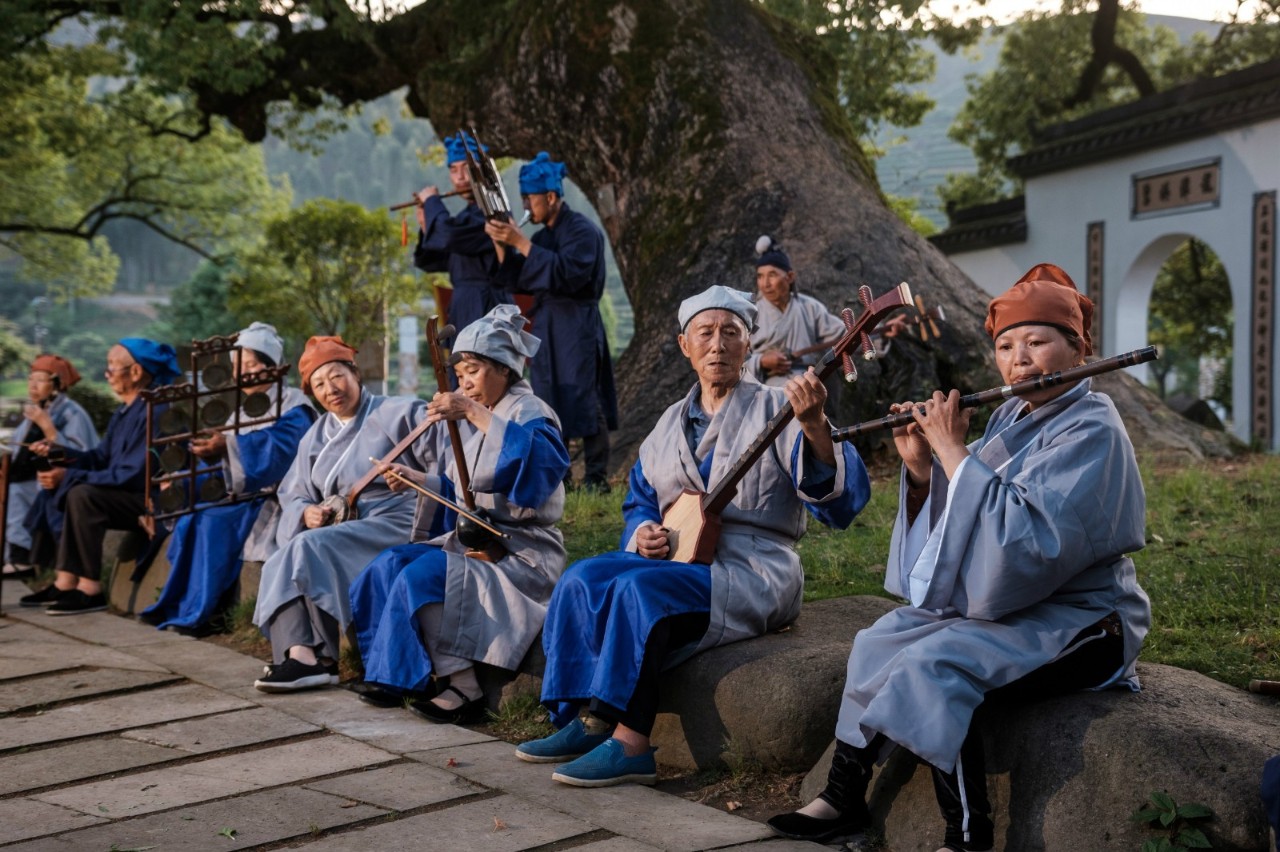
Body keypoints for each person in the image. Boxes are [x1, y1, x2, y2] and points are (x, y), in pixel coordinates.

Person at [767, 264, 1151, 851]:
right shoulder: (1009, 416)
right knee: (880, 639)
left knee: (936, 663)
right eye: (1005, 345)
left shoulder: (1093, 427)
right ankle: (844, 795)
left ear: (1078, 349)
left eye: (1037, 341)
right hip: (1014, 603)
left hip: (1084, 617)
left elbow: (1028, 542)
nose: (1019, 358)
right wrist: (924, 465)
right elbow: (969, 515)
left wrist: (951, 449)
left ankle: (966, 836)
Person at [514, 285, 871, 787]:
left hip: (753, 566)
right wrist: (643, 533)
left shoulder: (780, 408)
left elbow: (840, 502)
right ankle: (587, 719)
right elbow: (640, 498)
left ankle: (631, 743)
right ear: (686, 345)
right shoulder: (666, 424)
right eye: (705, 333)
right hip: (680, 557)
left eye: (732, 333)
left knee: (641, 591)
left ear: (750, 344)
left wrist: (814, 427)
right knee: (584, 577)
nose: (718, 345)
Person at [350, 304, 570, 723]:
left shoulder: (530, 413)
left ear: (505, 369)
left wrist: (472, 411)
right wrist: (419, 478)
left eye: (473, 370)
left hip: (518, 553)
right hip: (476, 538)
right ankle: (399, 675)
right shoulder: (485, 417)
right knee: (389, 563)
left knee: (422, 576)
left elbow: (538, 471)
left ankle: (464, 687)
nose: (464, 382)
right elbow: (466, 494)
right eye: (461, 373)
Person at [251, 335, 442, 693]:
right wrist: (305, 512)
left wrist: (417, 479)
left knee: (308, 547)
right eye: (319, 384)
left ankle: (316, 659)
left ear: (355, 374)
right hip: (341, 525)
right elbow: (292, 493)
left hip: (395, 520)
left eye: (336, 376)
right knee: (287, 550)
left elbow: (444, 461)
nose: (330, 389)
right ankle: (303, 654)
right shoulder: (315, 436)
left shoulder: (399, 412)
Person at [140, 323, 316, 634]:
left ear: (271, 367)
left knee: (211, 522)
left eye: (251, 364)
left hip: (272, 498)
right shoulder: (243, 413)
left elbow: (279, 452)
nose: (244, 373)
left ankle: (205, 613)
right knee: (189, 520)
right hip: (241, 494)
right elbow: (229, 461)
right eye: (238, 366)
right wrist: (187, 472)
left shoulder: (295, 407)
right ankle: (181, 605)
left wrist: (228, 446)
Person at [485, 152, 617, 491]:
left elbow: (569, 275)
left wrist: (520, 242)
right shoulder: (542, 237)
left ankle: (596, 476)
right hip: (546, 324)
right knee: (547, 397)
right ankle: (561, 476)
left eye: (531, 198)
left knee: (585, 395)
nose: (527, 205)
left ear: (552, 197)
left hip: (577, 322)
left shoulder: (583, 231)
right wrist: (504, 246)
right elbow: (517, 277)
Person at [20, 338, 182, 615]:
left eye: (112, 367)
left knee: (82, 493)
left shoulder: (157, 410)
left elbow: (133, 474)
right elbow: (99, 458)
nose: (107, 375)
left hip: (148, 499)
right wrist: (59, 452)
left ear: (136, 372)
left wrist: (69, 476)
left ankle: (90, 588)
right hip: (125, 491)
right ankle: (65, 581)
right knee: (63, 484)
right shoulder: (124, 410)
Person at [3, 354, 98, 577]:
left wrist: (47, 426)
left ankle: (23, 560)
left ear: (57, 384)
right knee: (11, 488)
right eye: (30, 379)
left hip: (65, 479)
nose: (33, 385)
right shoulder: (37, 410)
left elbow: (81, 454)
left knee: (17, 491)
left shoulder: (72, 412)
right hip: (33, 480)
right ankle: (16, 556)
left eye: (40, 380)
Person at [413, 131, 511, 335]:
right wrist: (426, 224)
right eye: (454, 170)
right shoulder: (465, 217)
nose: (460, 178)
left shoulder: (493, 212)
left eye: (467, 169)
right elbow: (432, 261)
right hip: (463, 304)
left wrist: (433, 203)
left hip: (487, 306)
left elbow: (449, 237)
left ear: (481, 172)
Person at [745, 236, 846, 391]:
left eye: (772, 275)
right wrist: (760, 361)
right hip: (764, 390)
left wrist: (880, 329)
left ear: (790, 277)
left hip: (807, 384)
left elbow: (845, 334)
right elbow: (733, 360)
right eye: (760, 276)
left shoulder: (809, 307)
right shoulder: (750, 314)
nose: (765, 284)